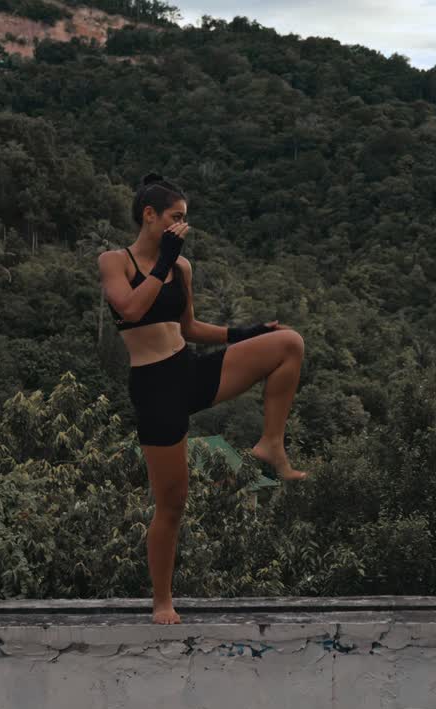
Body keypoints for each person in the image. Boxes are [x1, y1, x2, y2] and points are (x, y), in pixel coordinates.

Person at [98, 172, 308, 624]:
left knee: (289, 343)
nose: (181, 227)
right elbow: (130, 309)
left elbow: (190, 328)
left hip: (189, 369)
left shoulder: (182, 268)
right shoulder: (114, 261)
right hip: (155, 388)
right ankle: (161, 601)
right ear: (149, 215)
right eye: (175, 218)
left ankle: (271, 443)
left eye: (185, 220)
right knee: (172, 503)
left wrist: (244, 333)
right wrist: (161, 264)